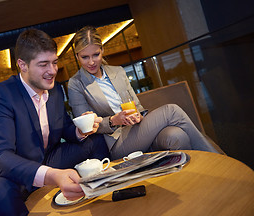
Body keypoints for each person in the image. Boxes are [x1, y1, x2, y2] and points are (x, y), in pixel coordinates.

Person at [0, 28, 109, 216]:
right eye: (43, 64)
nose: (52, 71)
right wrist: (52, 175)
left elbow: (64, 128)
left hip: (49, 158)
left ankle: (106, 194)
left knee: (95, 141)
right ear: (22, 65)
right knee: (0, 191)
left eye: (54, 63)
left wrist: (80, 131)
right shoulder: (1, 93)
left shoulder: (55, 90)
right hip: (10, 171)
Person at [68, 26, 218, 160]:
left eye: (95, 54)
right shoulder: (76, 84)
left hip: (137, 130)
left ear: (102, 50)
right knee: (171, 111)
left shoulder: (118, 72)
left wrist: (138, 115)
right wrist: (114, 120)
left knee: (177, 136)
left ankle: (194, 181)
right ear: (77, 57)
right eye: (85, 57)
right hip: (114, 142)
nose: (91, 62)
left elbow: (137, 106)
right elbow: (86, 127)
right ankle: (215, 158)